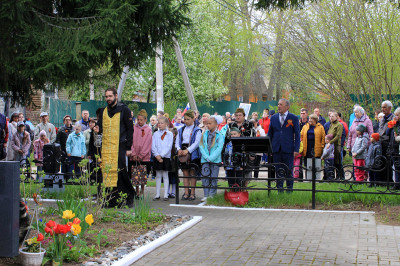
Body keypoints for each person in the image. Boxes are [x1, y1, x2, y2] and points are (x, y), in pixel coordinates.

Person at [97, 87, 135, 208]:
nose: (108, 99)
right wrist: (97, 129)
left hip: (120, 146)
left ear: (116, 96)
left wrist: (129, 147)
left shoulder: (124, 110)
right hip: (107, 148)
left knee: (121, 172)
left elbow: (130, 129)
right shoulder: (104, 111)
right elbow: (101, 127)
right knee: (106, 172)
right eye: (106, 97)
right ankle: (109, 200)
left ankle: (127, 197)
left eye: (110, 96)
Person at [268, 99, 300, 192]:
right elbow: (270, 134)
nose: (278, 106)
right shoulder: (273, 118)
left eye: (281, 105)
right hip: (276, 149)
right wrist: (269, 148)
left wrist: (296, 149)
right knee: (278, 170)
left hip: (288, 149)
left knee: (288, 170)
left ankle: (289, 190)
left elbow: (297, 135)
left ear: (287, 107)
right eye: (278, 104)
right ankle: (280, 190)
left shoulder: (293, 118)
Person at [176, 110, 201, 201]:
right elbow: (177, 141)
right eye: (185, 119)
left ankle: (193, 193)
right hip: (182, 151)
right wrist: (178, 149)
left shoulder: (197, 129)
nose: (186, 121)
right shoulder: (181, 129)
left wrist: (188, 150)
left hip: (192, 152)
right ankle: (186, 193)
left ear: (193, 119)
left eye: (188, 119)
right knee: (185, 173)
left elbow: (197, 143)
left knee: (192, 173)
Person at [199, 115, 225, 202]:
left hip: (215, 161)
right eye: (207, 123)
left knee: (213, 178)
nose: (208, 125)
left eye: (210, 123)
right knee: (205, 177)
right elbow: (201, 146)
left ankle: (212, 195)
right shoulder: (204, 134)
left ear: (216, 124)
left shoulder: (220, 135)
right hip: (205, 160)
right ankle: (206, 195)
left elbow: (219, 148)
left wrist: (212, 158)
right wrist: (206, 157)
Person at [130, 109, 152, 199]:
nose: (139, 121)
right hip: (134, 156)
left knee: (142, 174)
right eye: (138, 119)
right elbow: (130, 141)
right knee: (135, 175)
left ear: (145, 120)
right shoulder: (133, 128)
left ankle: (142, 190)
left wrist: (141, 155)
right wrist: (134, 154)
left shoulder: (148, 129)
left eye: (141, 120)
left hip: (144, 157)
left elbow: (148, 143)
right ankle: (136, 190)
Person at [152, 116, 173, 201]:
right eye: (159, 123)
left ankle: (165, 194)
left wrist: (162, 156)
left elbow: (169, 146)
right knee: (158, 175)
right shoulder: (155, 134)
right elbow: (153, 146)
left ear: (166, 124)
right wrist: (157, 155)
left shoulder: (169, 134)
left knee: (165, 175)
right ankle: (157, 194)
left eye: (161, 123)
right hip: (157, 157)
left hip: (165, 157)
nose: (159, 125)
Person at [300, 114, 325, 180]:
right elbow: (301, 135)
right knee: (307, 162)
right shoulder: (305, 126)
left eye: (312, 119)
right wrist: (301, 144)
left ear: (315, 120)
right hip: (307, 146)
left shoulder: (320, 127)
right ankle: (308, 178)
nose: (310, 120)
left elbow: (323, 137)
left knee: (316, 162)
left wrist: (322, 146)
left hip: (317, 146)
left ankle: (317, 178)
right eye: (309, 119)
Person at [327, 112, 343, 178]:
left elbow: (338, 136)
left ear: (336, 117)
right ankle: (332, 176)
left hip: (336, 145)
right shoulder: (331, 124)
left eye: (332, 116)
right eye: (330, 116)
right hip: (330, 145)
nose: (331, 118)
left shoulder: (339, 125)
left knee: (337, 161)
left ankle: (340, 177)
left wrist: (330, 142)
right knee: (332, 161)